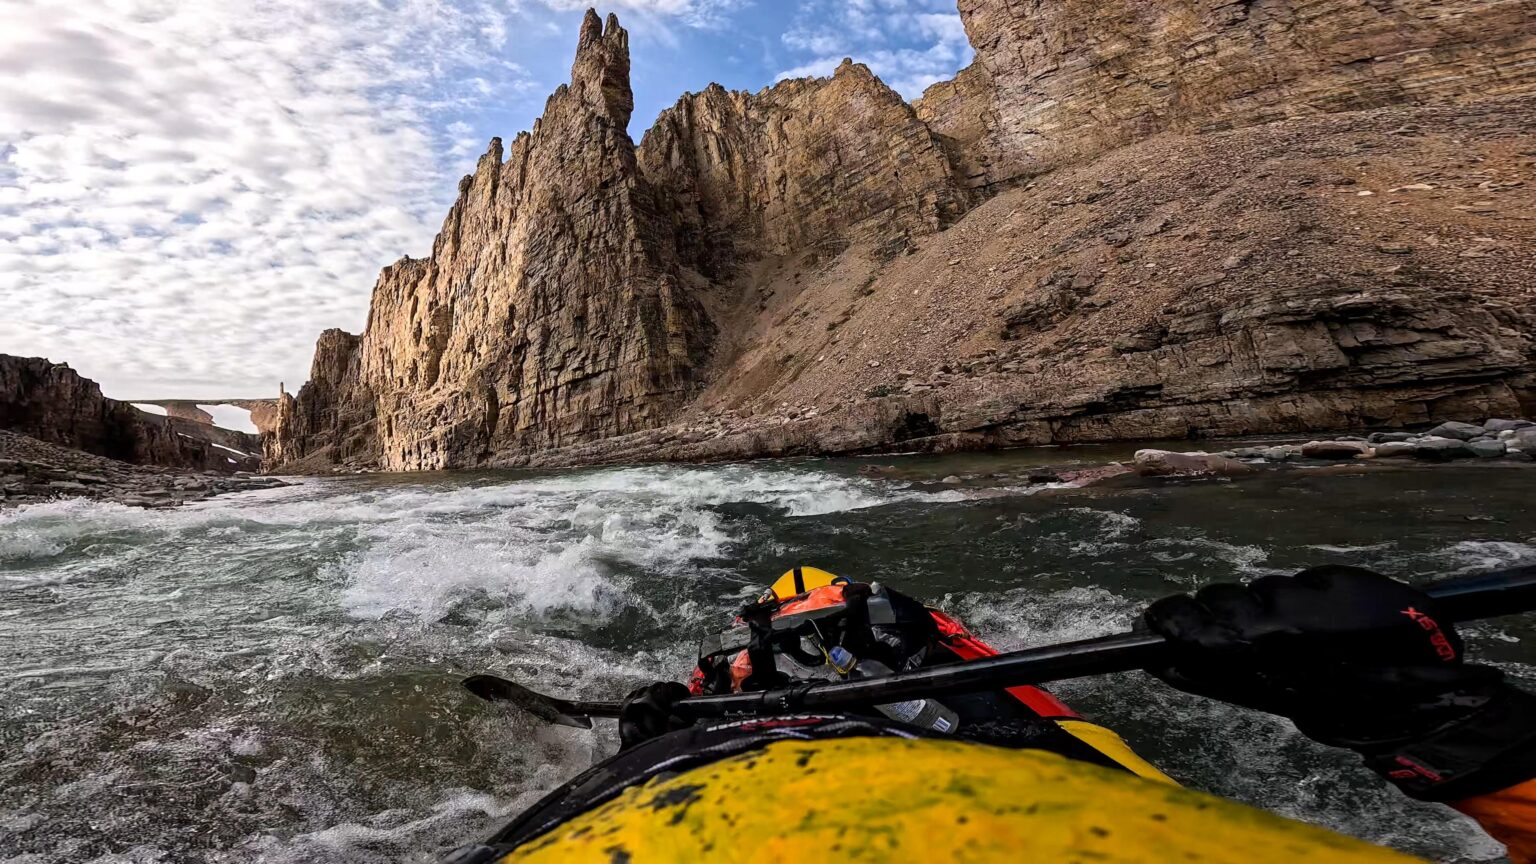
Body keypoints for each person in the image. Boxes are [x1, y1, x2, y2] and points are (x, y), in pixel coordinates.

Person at [446, 566, 1536, 863]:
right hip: (1053, 784)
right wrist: (1454, 727)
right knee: (856, 613)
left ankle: (762, 685)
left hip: (719, 785)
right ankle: (839, 663)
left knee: (841, 610)